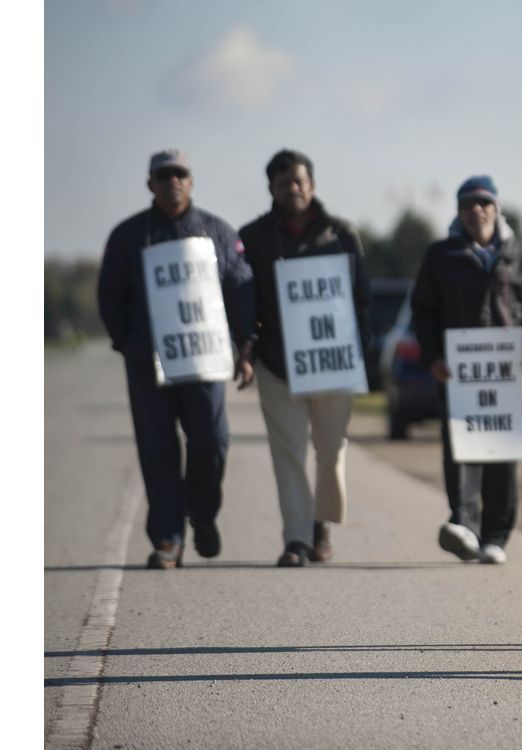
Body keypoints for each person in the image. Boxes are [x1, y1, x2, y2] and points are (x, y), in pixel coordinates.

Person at [97, 149, 256, 569]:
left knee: (212, 441)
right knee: (158, 449)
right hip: (148, 364)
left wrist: (245, 347)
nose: (172, 182)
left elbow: (241, 289)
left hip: (204, 362)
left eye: (179, 174)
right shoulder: (128, 235)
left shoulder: (217, 232)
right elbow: (109, 295)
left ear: (191, 180)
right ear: (150, 184)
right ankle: (168, 538)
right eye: (163, 176)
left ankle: (202, 516)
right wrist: (127, 343)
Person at [238, 149, 371, 567]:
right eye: (282, 183)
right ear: (271, 189)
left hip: (333, 363)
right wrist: (246, 349)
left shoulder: (342, 234)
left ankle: (321, 526)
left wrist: (361, 353)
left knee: (331, 449)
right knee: (288, 452)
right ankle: (296, 540)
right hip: (277, 364)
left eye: (298, 180)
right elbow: (245, 302)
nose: (291, 188)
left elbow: (361, 300)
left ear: (311, 184)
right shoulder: (254, 238)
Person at [411, 175, 522, 565]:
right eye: (468, 204)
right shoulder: (440, 255)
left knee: (502, 453)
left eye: (484, 203)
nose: (477, 210)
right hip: (457, 373)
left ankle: (496, 536)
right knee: (461, 451)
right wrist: (432, 357)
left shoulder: (520, 252)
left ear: (497, 208)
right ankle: (465, 525)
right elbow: (423, 311)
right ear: (458, 212)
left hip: (507, 372)